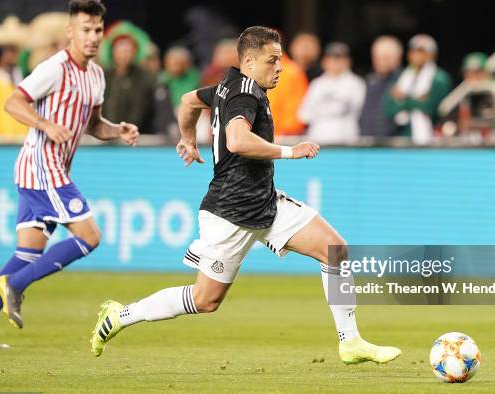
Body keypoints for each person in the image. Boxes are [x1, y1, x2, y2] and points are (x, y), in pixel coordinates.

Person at [90, 26, 401, 366]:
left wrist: (188, 138)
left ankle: (350, 341)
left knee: (334, 249)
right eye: (272, 60)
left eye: (280, 60)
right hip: (230, 213)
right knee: (205, 300)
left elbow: (188, 101)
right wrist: (289, 152)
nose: (279, 67)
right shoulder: (244, 95)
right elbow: (237, 140)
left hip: (264, 202)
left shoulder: (230, 85)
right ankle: (121, 315)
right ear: (249, 61)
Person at [0, 0, 139, 349]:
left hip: (43, 171)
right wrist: (46, 124)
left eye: (97, 30)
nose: (92, 37)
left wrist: (117, 131)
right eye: (85, 30)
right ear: (70, 32)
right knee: (90, 236)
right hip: (43, 166)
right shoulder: (55, 68)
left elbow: (93, 126)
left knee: (28, 252)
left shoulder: (96, 75)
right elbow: (14, 102)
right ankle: (14, 286)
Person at [384, 34, 451, 144]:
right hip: (401, 133)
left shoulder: (439, 78)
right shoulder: (402, 77)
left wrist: (403, 99)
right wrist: (416, 101)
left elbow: (431, 108)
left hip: (430, 136)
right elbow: (389, 108)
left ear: (431, 54)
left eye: (421, 52)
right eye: (413, 51)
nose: (416, 55)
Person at [298, 42, 366, 144]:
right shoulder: (317, 84)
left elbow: (360, 113)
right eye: (332, 58)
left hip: (346, 141)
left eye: (340, 58)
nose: (335, 62)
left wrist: (324, 109)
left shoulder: (356, 84)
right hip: (317, 140)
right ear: (324, 61)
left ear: (348, 61)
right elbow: (303, 115)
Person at [103, 34, 155, 132]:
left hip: (133, 134)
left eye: (127, 51)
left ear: (134, 53)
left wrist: (125, 131)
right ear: (113, 52)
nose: (124, 55)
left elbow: (139, 109)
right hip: (105, 134)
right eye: (120, 51)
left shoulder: (144, 78)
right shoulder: (105, 76)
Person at [359, 36, 403, 139]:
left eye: (386, 57)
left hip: (394, 144)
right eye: (377, 57)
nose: (381, 62)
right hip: (368, 142)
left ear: (398, 58)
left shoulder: (405, 81)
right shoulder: (370, 81)